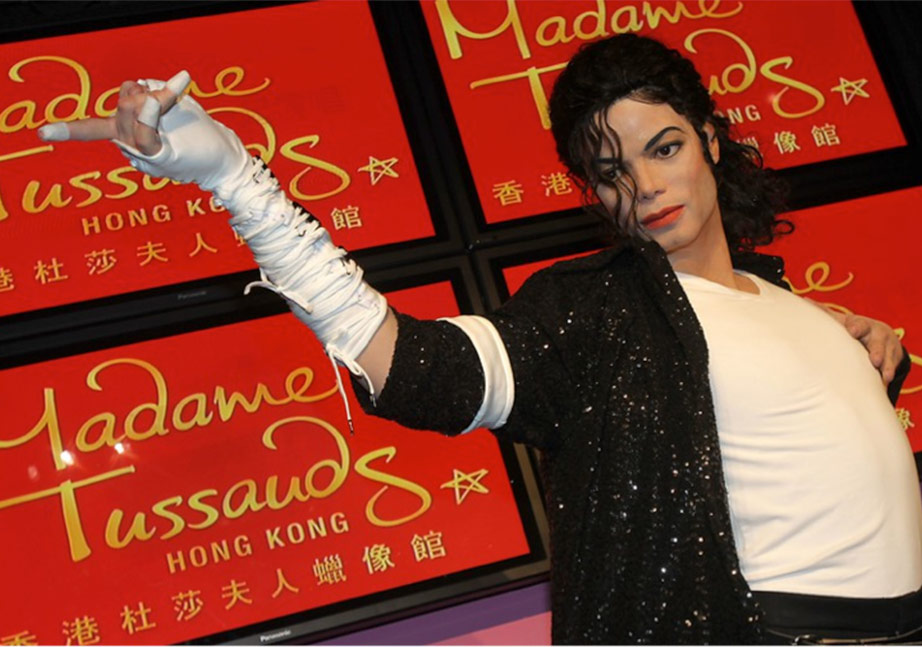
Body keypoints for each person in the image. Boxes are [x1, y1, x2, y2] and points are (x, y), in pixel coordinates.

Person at [42, 35, 921, 645]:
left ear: (712, 142)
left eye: (664, 147)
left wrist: (858, 350)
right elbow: (412, 365)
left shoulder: (799, 305)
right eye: (609, 171)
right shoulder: (596, 310)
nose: (645, 186)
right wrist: (237, 179)